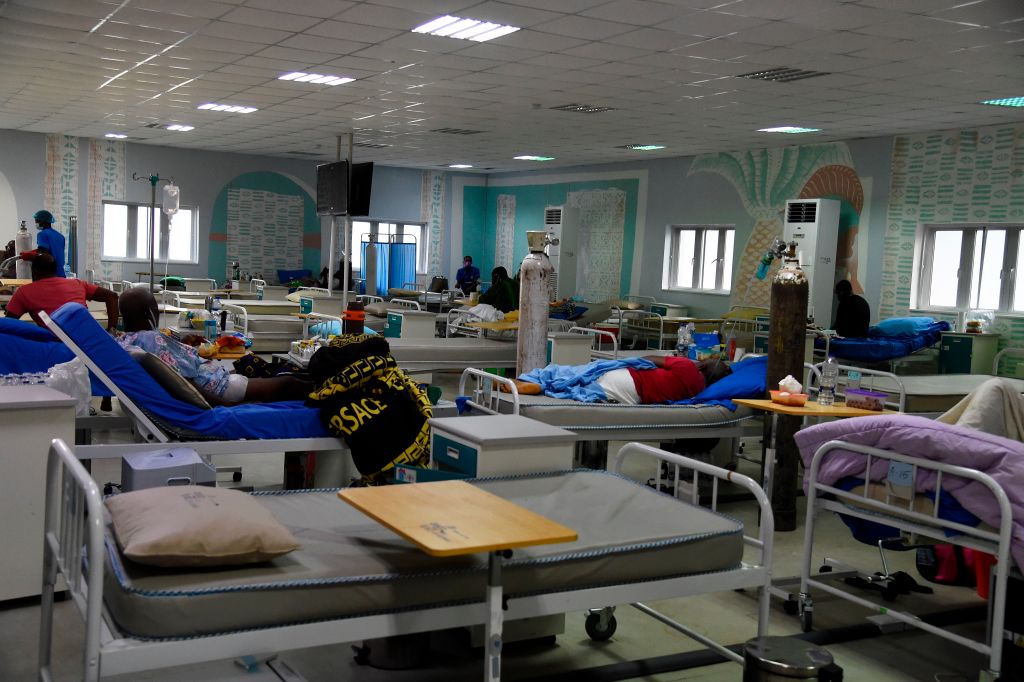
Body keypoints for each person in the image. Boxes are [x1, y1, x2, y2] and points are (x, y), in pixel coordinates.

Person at [117, 288, 311, 406]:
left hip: (212, 377)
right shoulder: (151, 339)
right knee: (288, 383)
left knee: (250, 362)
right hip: (218, 387)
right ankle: (321, 390)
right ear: (148, 312)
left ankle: (308, 377)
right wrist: (224, 405)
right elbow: (183, 383)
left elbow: (172, 364)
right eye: (155, 307)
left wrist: (185, 347)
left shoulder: (127, 341)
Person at [514, 355, 731, 405]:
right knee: (582, 387)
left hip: (626, 379)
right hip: (629, 399)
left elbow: (649, 359)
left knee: (569, 373)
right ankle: (542, 387)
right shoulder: (698, 393)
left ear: (703, 366)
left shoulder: (687, 367)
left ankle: (534, 382)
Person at [5, 253, 118, 330]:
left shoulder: (24, 292)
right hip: (88, 341)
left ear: (34, 271)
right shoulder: (78, 283)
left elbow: (7, 324)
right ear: (55, 270)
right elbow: (112, 296)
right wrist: (111, 330)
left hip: (56, 346)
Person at [31, 210, 66, 277]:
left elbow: (43, 254)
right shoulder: (61, 236)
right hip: (61, 273)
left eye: (36, 221)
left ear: (43, 221)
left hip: (50, 274)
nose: (36, 223)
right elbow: (56, 251)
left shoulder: (42, 234)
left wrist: (30, 256)